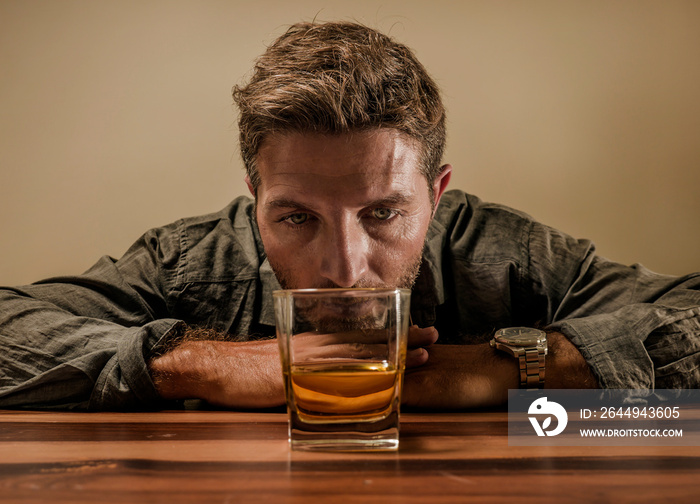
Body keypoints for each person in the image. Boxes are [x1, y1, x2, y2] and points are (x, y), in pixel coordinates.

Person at [1, 21, 698, 411]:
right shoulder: (190, 261)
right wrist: (200, 365)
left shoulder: (506, 253)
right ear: (255, 197)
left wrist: (501, 371)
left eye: (385, 214)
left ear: (436, 196)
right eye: (297, 218)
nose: (343, 268)